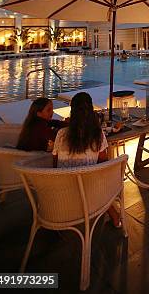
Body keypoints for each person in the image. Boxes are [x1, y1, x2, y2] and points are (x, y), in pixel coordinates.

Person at [52, 92, 121, 227]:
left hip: (62, 191)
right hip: (90, 194)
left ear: (72, 111)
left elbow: (55, 164)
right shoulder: (97, 135)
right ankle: (113, 214)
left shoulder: (61, 135)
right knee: (99, 180)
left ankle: (111, 212)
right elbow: (103, 166)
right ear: (91, 111)